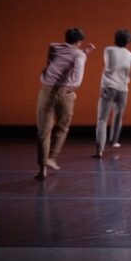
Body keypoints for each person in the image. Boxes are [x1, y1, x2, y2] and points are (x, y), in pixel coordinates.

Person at [36, 28, 95, 179]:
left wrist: (83, 53)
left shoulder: (53, 47)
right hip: (65, 92)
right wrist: (75, 84)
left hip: (46, 90)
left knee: (44, 131)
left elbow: (60, 60)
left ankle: (42, 168)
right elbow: (78, 71)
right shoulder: (79, 54)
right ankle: (52, 157)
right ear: (79, 42)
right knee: (62, 126)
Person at [94, 29, 131, 158]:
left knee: (102, 119)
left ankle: (100, 149)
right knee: (118, 117)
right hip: (123, 90)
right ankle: (114, 141)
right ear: (128, 43)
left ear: (116, 39)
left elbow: (109, 65)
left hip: (108, 88)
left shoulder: (108, 50)